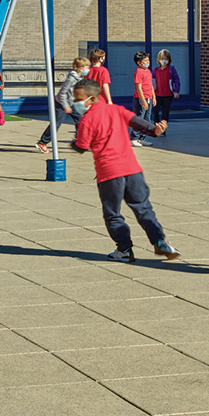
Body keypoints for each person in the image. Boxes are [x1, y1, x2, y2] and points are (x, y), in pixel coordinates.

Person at [71, 79, 177, 264]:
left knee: (112, 213)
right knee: (143, 208)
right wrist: (155, 131)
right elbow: (139, 123)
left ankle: (124, 249)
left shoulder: (87, 119)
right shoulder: (117, 110)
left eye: (79, 99)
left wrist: (73, 143)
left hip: (109, 173)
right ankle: (160, 241)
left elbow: (82, 146)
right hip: (132, 169)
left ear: (93, 98)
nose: (76, 103)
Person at [36, 57, 92, 149]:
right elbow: (62, 93)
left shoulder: (80, 78)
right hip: (62, 104)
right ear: (81, 68)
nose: (88, 70)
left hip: (72, 103)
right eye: (87, 68)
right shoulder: (71, 79)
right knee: (56, 123)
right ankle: (42, 142)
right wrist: (65, 106)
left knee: (81, 120)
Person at [152, 50, 181, 135]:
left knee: (165, 112)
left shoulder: (171, 69)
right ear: (159, 59)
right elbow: (152, 82)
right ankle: (157, 126)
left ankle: (163, 129)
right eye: (162, 58)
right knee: (155, 110)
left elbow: (177, 80)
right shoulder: (155, 70)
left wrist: (176, 91)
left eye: (165, 59)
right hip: (157, 94)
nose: (164, 60)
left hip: (168, 94)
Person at [130, 53, 156, 145]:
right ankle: (134, 138)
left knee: (147, 119)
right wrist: (143, 101)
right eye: (145, 61)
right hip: (140, 98)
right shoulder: (138, 72)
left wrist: (153, 96)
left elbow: (151, 85)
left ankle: (142, 138)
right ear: (139, 63)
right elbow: (138, 88)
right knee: (139, 118)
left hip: (148, 97)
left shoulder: (148, 71)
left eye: (148, 60)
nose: (147, 62)